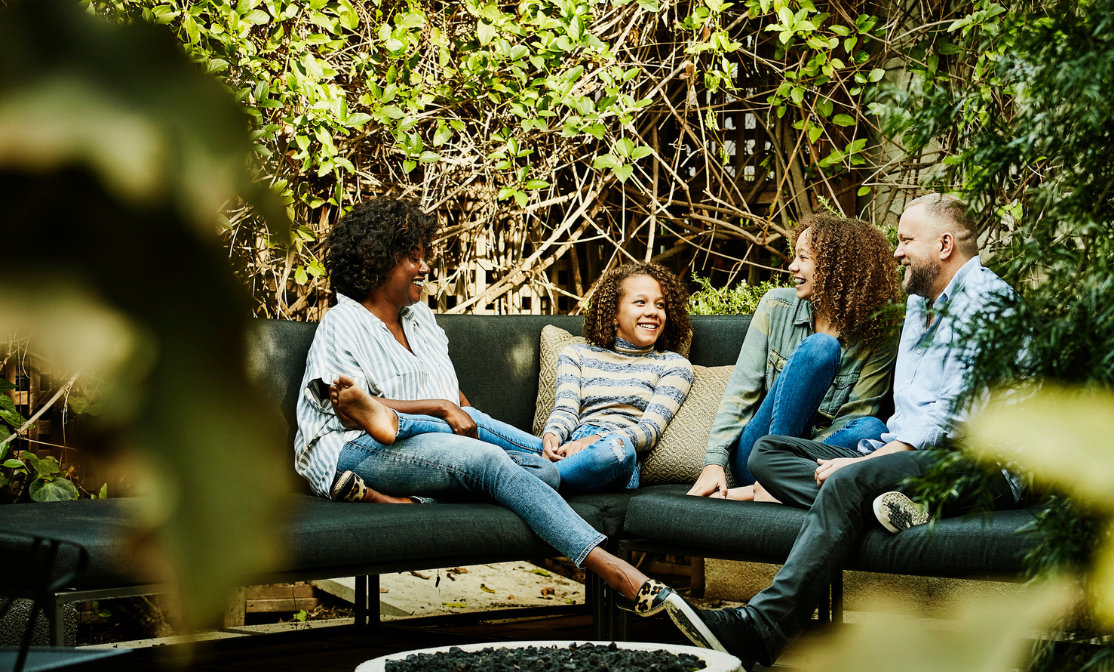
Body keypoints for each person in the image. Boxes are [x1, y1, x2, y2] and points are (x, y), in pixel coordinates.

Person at [292, 198, 718, 641]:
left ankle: (401, 485)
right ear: (378, 261)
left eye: (425, 255)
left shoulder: (420, 319)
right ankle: (613, 570)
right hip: (354, 446)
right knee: (488, 463)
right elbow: (344, 406)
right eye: (414, 256)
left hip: (415, 444)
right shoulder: (342, 321)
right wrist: (444, 413)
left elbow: (456, 400)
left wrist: (474, 424)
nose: (425, 266)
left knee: (527, 456)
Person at [674, 194, 1024, 669]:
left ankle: (762, 628)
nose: (896, 251)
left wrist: (866, 462)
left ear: (944, 245)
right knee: (769, 453)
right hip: (920, 456)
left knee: (849, 483)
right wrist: (875, 454)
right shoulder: (922, 304)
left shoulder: (986, 300)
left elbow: (952, 417)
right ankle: (893, 508)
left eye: (905, 241)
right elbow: (911, 413)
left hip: (982, 463)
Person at [686, 214, 901, 502]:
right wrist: (714, 461)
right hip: (758, 454)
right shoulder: (775, 305)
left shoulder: (878, 331)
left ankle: (769, 490)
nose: (792, 266)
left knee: (871, 428)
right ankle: (768, 481)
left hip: (816, 456)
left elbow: (855, 417)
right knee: (819, 348)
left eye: (804, 257)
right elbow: (740, 392)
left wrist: (802, 457)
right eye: (794, 256)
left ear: (837, 268)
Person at [540, 263, 694, 493]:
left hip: (614, 457)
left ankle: (520, 474)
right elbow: (565, 411)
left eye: (660, 304)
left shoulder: (673, 365)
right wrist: (552, 436)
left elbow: (649, 431)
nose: (653, 311)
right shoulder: (576, 355)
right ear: (614, 313)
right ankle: (536, 472)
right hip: (568, 447)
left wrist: (594, 441)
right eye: (641, 302)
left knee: (616, 450)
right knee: (477, 421)